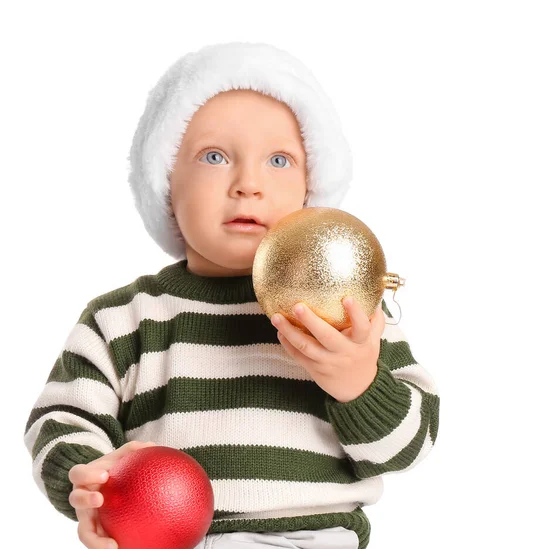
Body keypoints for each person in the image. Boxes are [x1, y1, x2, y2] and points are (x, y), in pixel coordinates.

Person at [23, 41, 440, 549]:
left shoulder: (345, 315)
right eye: (215, 156)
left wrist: (358, 383)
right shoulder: (122, 320)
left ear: (312, 191)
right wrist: (87, 478)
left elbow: (407, 448)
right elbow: (63, 420)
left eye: (280, 160)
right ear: (164, 183)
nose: (248, 184)